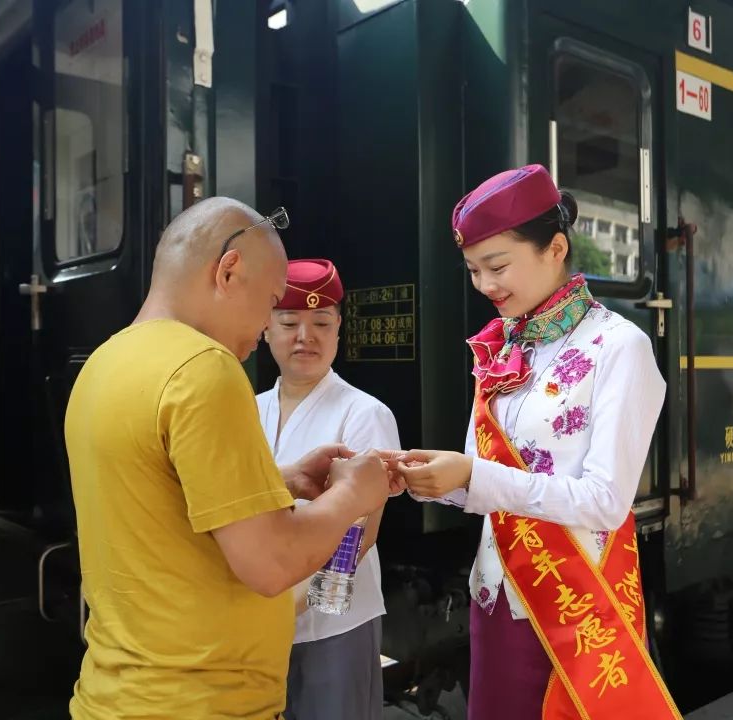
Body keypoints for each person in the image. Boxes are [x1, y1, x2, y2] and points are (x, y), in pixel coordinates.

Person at [64, 198, 395, 720]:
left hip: (117, 692)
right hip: (200, 700)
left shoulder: (103, 363)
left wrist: (278, 482)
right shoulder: (203, 369)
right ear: (229, 271)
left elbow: (162, 504)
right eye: (271, 304)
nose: (267, 327)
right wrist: (356, 492)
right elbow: (271, 564)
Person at [397, 165, 682, 719]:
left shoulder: (619, 347)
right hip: (496, 594)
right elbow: (483, 481)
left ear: (555, 248)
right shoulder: (502, 351)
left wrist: (472, 476)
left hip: (574, 604)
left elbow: (604, 500)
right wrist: (433, 483)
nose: (485, 285)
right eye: (473, 270)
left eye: (497, 266)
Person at [257, 258, 400, 720]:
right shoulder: (243, 410)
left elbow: (360, 533)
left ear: (339, 329)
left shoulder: (364, 413)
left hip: (334, 623)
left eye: (321, 322)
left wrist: (286, 610)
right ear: (265, 327)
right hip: (255, 618)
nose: (306, 336)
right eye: (289, 322)